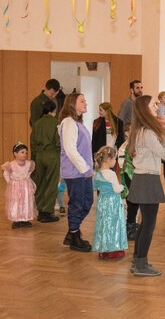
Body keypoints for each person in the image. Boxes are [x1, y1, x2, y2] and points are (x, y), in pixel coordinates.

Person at [127, 95, 165, 277]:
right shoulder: (148, 132)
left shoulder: (141, 130)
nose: (156, 106)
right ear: (146, 109)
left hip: (142, 178)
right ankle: (141, 264)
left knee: (145, 223)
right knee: (148, 225)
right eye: (153, 104)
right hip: (147, 180)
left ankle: (138, 259)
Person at [59, 93, 94, 252]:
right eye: (82, 101)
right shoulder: (68, 122)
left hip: (83, 172)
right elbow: (70, 150)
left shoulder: (78, 123)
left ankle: (72, 232)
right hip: (75, 173)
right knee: (78, 204)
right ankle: (74, 237)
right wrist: (85, 169)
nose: (86, 103)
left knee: (87, 203)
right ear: (73, 104)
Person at [92, 146, 128, 260]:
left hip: (102, 201)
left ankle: (103, 249)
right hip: (113, 202)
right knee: (114, 224)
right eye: (114, 159)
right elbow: (117, 189)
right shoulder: (111, 174)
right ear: (108, 160)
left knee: (103, 224)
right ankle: (113, 249)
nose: (115, 161)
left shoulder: (97, 173)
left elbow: (94, 187)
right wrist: (123, 186)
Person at [30, 100, 60, 223]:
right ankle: (47, 212)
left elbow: (32, 142)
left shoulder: (37, 124)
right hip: (52, 155)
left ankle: (40, 210)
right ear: (54, 110)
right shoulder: (56, 123)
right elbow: (58, 142)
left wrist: (36, 155)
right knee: (51, 184)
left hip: (39, 156)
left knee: (40, 183)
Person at [2, 142, 37, 229]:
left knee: (26, 201)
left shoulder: (29, 164)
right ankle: (16, 219)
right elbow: (5, 174)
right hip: (15, 187)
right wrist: (10, 182)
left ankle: (25, 218)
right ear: (15, 153)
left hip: (26, 187)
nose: (25, 154)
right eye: (22, 152)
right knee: (16, 202)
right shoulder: (11, 165)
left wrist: (29, 183)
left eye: (26, 152)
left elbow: (28, 174)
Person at [118, 123, 139, 241]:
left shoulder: (137, 144)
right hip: (128, 175)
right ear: (126, 133)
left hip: (136, 175)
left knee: (135, 201)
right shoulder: (124, 147)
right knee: (131, 201)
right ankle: (130, 226)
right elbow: (121, 164)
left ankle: (133, 224)